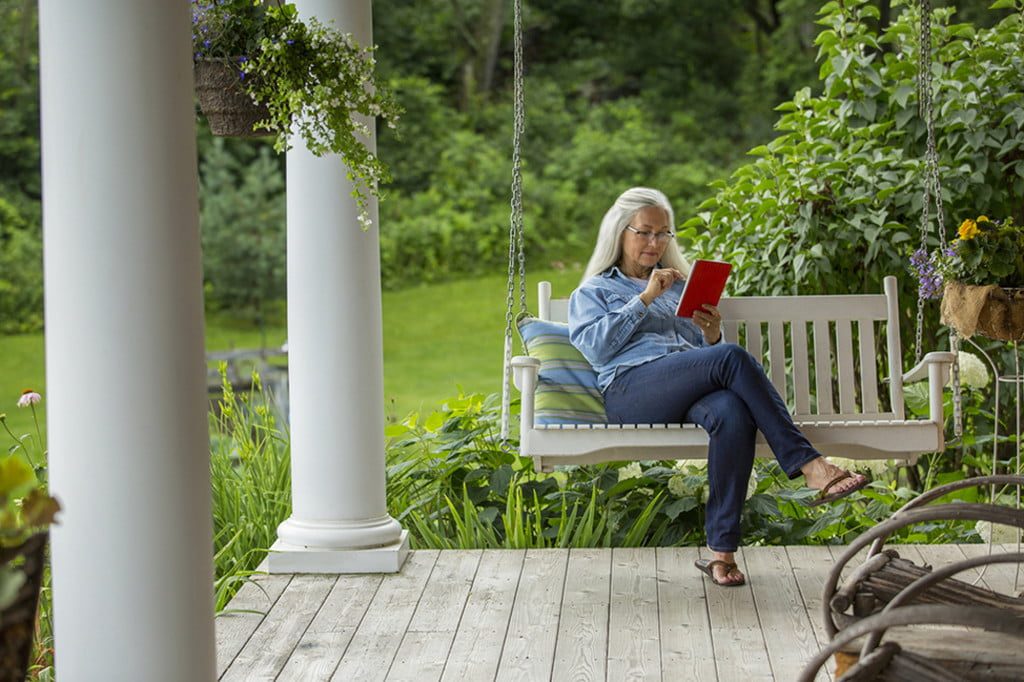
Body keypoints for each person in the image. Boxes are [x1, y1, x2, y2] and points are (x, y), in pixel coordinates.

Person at [568, 187, 869, 587]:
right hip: (631, 391)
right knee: (731, 357)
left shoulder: (679, 287)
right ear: (620, 232)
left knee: (731, 411)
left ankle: (721, 553)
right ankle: (811, 465)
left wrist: (710, 336)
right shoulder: (594, 291)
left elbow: (698, 357)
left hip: (680, 388)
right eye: (644, 232)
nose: (655, 243)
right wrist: (643, 299)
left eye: (663, 234)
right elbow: (596, 348)